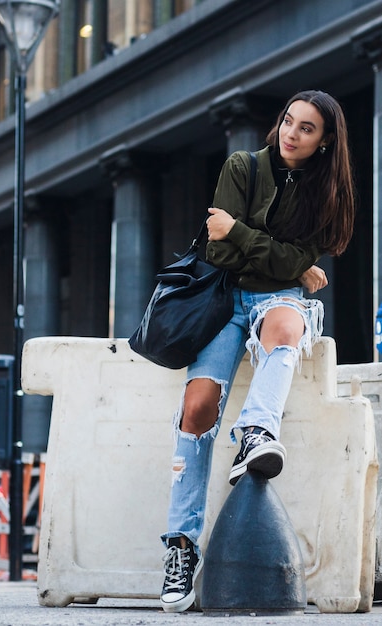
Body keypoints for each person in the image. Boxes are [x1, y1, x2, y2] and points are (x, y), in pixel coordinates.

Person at [159, 90, 355, 613]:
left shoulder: (327, 196)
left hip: (277, 299)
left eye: (306, 128)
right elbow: (219, 249)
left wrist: (267, 251)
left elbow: (243, 239)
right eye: (288, 121)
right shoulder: (242, 166)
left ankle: (256, 433)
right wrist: (291, 263)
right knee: (197, 408)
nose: (291, 133)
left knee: (287, 327)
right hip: (223, 298)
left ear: (325, 141)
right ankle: (180, 547)